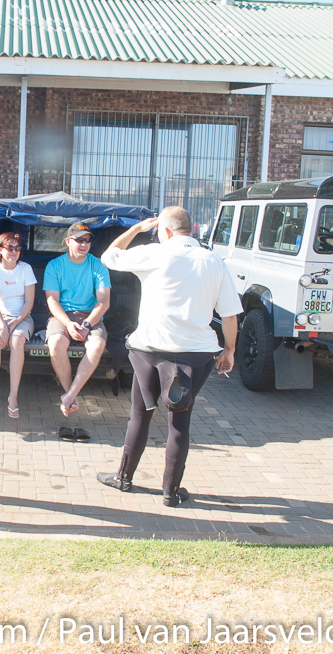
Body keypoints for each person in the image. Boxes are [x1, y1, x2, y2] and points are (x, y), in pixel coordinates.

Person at [96, 206, 242, 506]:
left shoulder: (154, 253)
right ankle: (171, 492)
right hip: (195, 355)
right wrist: (229, 350)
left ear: (164, 230)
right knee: (180, 423)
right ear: (191, 228)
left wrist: (136, 229)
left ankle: (123, 478)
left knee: (140, 414)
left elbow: (109, 256)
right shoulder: (214, 261)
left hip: (149, 350)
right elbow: (230, 314)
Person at [44, 221, 111, 439]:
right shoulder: (54, 266)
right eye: (79, 240)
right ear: (68, 241)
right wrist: (68, 323)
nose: (84, 244)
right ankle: (69, 395)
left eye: (87, 240)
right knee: (56, 343)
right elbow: (52, 300)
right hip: (63, 315)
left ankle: (69, 396)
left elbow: (104, 302)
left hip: (91, 316)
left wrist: (87, 324)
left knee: (97, 345)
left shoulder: (98, 265)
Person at [0, 232, 37, 419]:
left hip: (22, 317)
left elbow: (29, 302)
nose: (14, 251)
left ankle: (13, 398)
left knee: (17, 341)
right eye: (9, 247)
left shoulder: (26, 269)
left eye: (17, 248)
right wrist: (3, 326)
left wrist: (15, 322)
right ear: (0, 249)